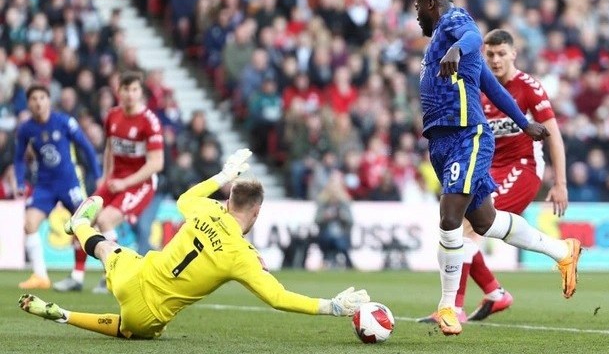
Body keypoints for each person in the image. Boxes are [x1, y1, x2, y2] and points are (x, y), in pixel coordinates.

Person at [19, 148, 370, 339]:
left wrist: (223, 175)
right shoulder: (241, 257)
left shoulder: (204, 208)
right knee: (128, 328)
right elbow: (279, 298)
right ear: (257, 212)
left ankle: (79, 225)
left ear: (228, 201)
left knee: (107, 249)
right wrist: (332, 307)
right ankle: (64, 316)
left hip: (135, 274)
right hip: (147, 315)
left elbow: (186, 197)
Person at [413, 0, 581, 336]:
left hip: (466, 136)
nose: (416, 17)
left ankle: (448, 307)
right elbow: (490, 85)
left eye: (417, 8)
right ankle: (561, 251)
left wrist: (456, 48)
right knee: (484, 221)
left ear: (431, 3)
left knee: (450, 217)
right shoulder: (438, 45)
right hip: (441, 141)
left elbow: (472, 36)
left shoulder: (453, 21)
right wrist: (524, 122)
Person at [55, 71, 165, 293]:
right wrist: (105, 178)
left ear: (140, 92)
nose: (130, 94)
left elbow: (157, 163)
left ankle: (114, 276)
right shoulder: (112, 116)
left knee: (105, 221)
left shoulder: (149, 122)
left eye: (134, 89)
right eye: (126, 89)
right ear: (119, 91)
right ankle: (77, 277)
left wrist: (125, 183)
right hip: (114, 180)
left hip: (140, 184)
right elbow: (109, 149)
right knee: (81, 218)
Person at [14, 84, 102, 289]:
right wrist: (19, 181)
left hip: (69, 182)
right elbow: (18, 158)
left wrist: (98, 175)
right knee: (29, 224)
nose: (38, 102)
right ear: (29, 103)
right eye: (34, 99)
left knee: (84, 225)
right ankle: (40, 276)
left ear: (48, 100)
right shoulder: (26, 129)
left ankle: (80, 276)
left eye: (42, 98)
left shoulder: (64, 122)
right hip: (44, 186)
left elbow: (86, 147)